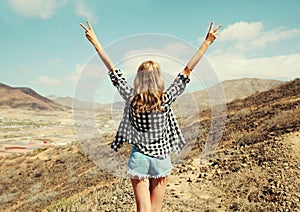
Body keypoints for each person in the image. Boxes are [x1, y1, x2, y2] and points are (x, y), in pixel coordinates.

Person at [80, 20, 220, 212]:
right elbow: (188, 70)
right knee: (156, 209)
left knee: (142, 210)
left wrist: (95, 42)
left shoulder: (132, 98)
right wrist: (207, 43)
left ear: (139, 78)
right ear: (159, 79)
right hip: (162, 159)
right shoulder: (165, 100)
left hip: (139, 159)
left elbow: (112, 70)